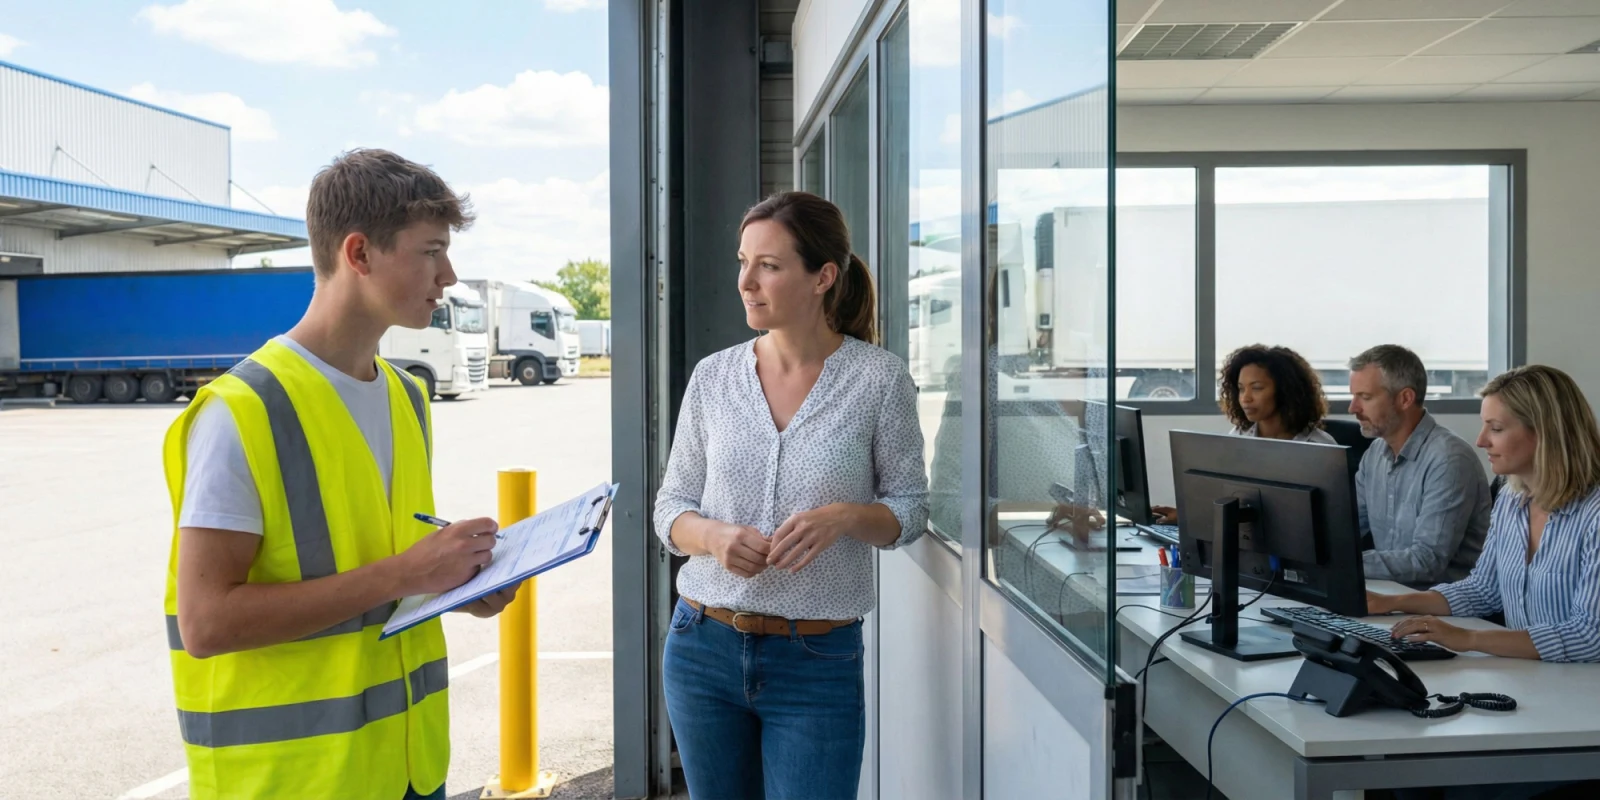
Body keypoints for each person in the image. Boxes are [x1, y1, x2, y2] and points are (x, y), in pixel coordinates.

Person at [162, 149, 521, 800]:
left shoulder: (407, 396)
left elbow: (373, 567)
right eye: (431, 251)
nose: (449, 274)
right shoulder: (243, 411)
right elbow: (207, 623)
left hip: (408, 767)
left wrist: (453, 585)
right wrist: (411, 574)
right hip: (291, 783)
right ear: (359, 254)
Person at [653, 191, 928, 800]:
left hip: (817, 662)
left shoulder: (878, 380)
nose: (747, 281)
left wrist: (849, 517)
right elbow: (669, 508)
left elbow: (911, 510)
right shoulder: (713, 377)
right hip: (702, 646)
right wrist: (715, 538)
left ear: (823, 277)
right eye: (742, 261)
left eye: (769, 266)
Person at [1371, 364, 1600, 663]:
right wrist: (1393, 603)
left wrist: (1468, 639)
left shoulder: (1593, 515)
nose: (1481, 441)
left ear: (1546, 433)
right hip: (1533, 677)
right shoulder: (1510, 497)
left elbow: (1590, 635)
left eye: (1496, 428)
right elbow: (1484, 589)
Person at [1348, 344, 1490, 587]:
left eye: (1365, 397)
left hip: (1445, 609)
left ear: (1405, 398)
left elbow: (1427, 562)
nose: (1353, 408)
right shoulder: (1374, 455)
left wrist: (1346, 564)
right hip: (1393, 596)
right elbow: (1346, 527)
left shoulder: (1449, 459)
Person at [1154, 344, 1334, 523]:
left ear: (1285, 391)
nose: (1245, 398)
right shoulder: (1239, 435)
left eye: (1256, 388)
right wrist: (1189, 516)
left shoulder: (1320, 447)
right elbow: (1230, 502)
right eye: (1241, 388)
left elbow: (1330, 521)